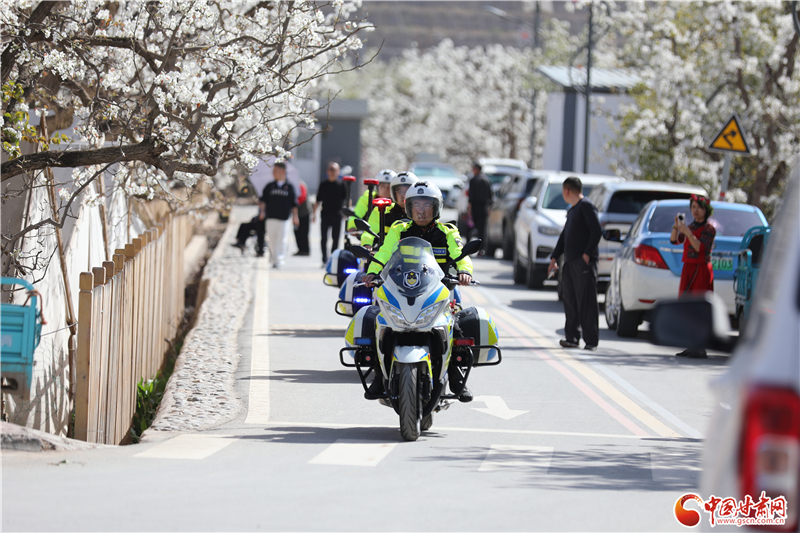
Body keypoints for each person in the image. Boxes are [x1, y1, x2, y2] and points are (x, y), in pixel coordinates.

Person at [363, 181, 475, 403]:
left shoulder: (447, 232)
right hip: (402, 290)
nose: (421, 211)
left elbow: (460, 254)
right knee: (377, 321)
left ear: (437, 208)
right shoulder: (399, 230)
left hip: (437, 292)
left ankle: (455, 377)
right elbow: (384, 253)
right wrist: (373, 272)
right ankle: (378, 374)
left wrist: (464, 271)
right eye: (416, 205)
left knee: (455, 327)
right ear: (408, 208)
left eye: (427, 205)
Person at [547, 177, 601, 351]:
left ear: (567, 190)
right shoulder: (572, 210)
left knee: (586, 301)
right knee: (570, 300)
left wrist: (587, 254)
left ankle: (591, 340)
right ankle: (571, 337)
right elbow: (564, 236)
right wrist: (554, 258)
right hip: (570, 261)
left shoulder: (586, 206)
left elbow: (597, 231)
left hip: (583, 262)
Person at [671, 194, 716, 359]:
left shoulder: (709, 229)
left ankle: (700, 346)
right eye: (693, 207)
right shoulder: (689, 226)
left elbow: (700, 247)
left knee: (699, 306)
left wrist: (688, 233)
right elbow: (674, 241)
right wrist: (676, 227)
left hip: (701, 268)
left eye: (699, 207)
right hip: (688, 268)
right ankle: (691, 344)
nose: (696, 210)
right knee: (687, 305)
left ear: (706, 210)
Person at [360, 171, 418, 249]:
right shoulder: (381, 210)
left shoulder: (421, 213)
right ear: (393, 193)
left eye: (407, 191)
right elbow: (369, 233)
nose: (403, 195)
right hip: (386, 255)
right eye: (400, 191)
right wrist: (367, 244)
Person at [261, 162, 299, 269]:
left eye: (276, 171)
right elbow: (263, 201)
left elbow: (294, 204)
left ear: (283, 171)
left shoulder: (289, 187)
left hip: (284, 218)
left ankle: (279, 260)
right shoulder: (269, 186)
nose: (274, 173)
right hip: (271, 217)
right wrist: (262, 212)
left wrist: (295, 217)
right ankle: (274, 258)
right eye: (273, 171)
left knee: (281, 239)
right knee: (272, 239)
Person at [313, 162, 348, 265]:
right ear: (327, 171)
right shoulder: (323, 184)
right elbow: (317, 200)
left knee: (335, 238)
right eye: (331, 169)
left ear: (338, 172)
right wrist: (314, 214)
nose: (333, 172)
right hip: (325, 214)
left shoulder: (341, 185)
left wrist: (347, 212)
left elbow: (347, 200)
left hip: (337, 215)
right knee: (324, 238)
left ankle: (333, 258)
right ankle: (324, 258)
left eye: (335, 170)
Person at [467, 162, 493, 257]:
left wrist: (469, 209)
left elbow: (471, 196)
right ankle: (481, 250)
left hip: (475, 207)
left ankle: (468, 249)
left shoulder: (473, 180)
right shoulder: (487, 180)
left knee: (470, 228)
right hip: (484, 208)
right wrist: (489, 208)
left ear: (477, 169)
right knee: (482, 230)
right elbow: (490, 196)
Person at [293, 179, 311, 256]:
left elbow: (302, 197)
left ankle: (305, 250)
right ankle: (300, 249)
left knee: (304, 232)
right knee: (296, 231)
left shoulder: (301, 184)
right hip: (295, 213)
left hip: (304, 212)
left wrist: (293, 203)